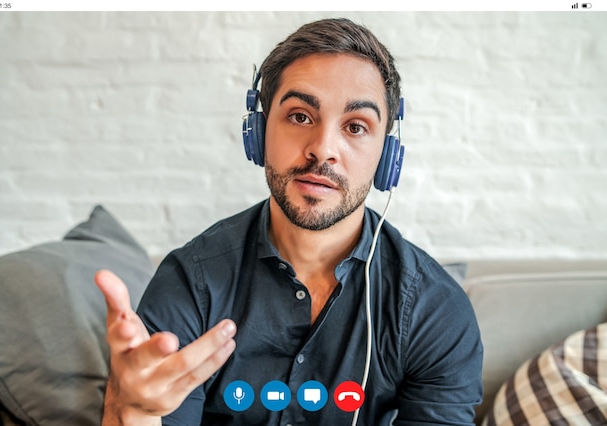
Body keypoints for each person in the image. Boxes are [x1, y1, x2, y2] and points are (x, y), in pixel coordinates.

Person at [95, 18, 483, 426]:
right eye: (300, 116)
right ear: (259, 132)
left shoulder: (434, 309)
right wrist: (135, 409)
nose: (323, 149)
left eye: (355, 127)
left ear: (387, 157)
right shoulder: (191, 282)